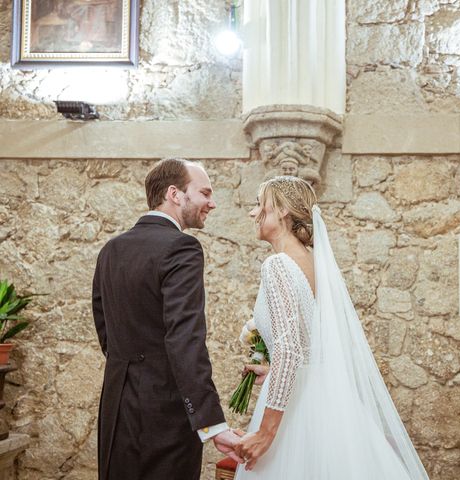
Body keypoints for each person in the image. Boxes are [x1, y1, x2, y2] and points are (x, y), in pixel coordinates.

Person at [233, 176, 429, 479]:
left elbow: (288, 352)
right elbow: (312, 346)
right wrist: (272, 373)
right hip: (328, 402)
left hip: (299, 418)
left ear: (283, 211)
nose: (253, 213)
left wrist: (265, 433)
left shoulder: (278, 265)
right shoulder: (313, 262)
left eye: (260, 205)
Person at [92, 158, 242, 480]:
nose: (211, 203)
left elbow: (105, 328)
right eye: (204, 193)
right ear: (174, 194)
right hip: (164, 416)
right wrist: (212, 424)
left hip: (116, 408)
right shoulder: (182, 247)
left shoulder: (111, 249)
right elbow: (185, 338)